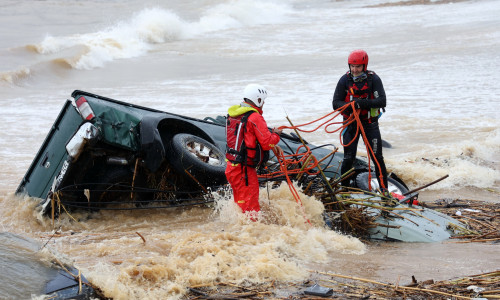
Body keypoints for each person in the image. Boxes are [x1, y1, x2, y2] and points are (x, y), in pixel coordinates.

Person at [332, 49, 389, 192]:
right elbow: (335, 103)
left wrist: (361, 103)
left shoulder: (374, 79)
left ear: (365, 66)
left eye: (358, 67)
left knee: (377, 158)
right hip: (350, 124)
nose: (354, 69)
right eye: (352, 66)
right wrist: (350, 106)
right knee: (348, 158)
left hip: (370, 125)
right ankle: (344, 191)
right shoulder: (344, 80)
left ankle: (384, 191)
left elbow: (382, 101)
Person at [225, 84, 283, 219]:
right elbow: (267, 142)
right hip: (244, 171)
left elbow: (249, 137)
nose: (264, 103)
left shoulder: (234, 114)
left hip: (232, 168)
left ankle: (240, 234)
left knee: (240, 205)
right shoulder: (255, 117)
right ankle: (253, 235)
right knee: (252, 210)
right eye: (263, 100)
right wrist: (276, 135)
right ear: (258, 100)